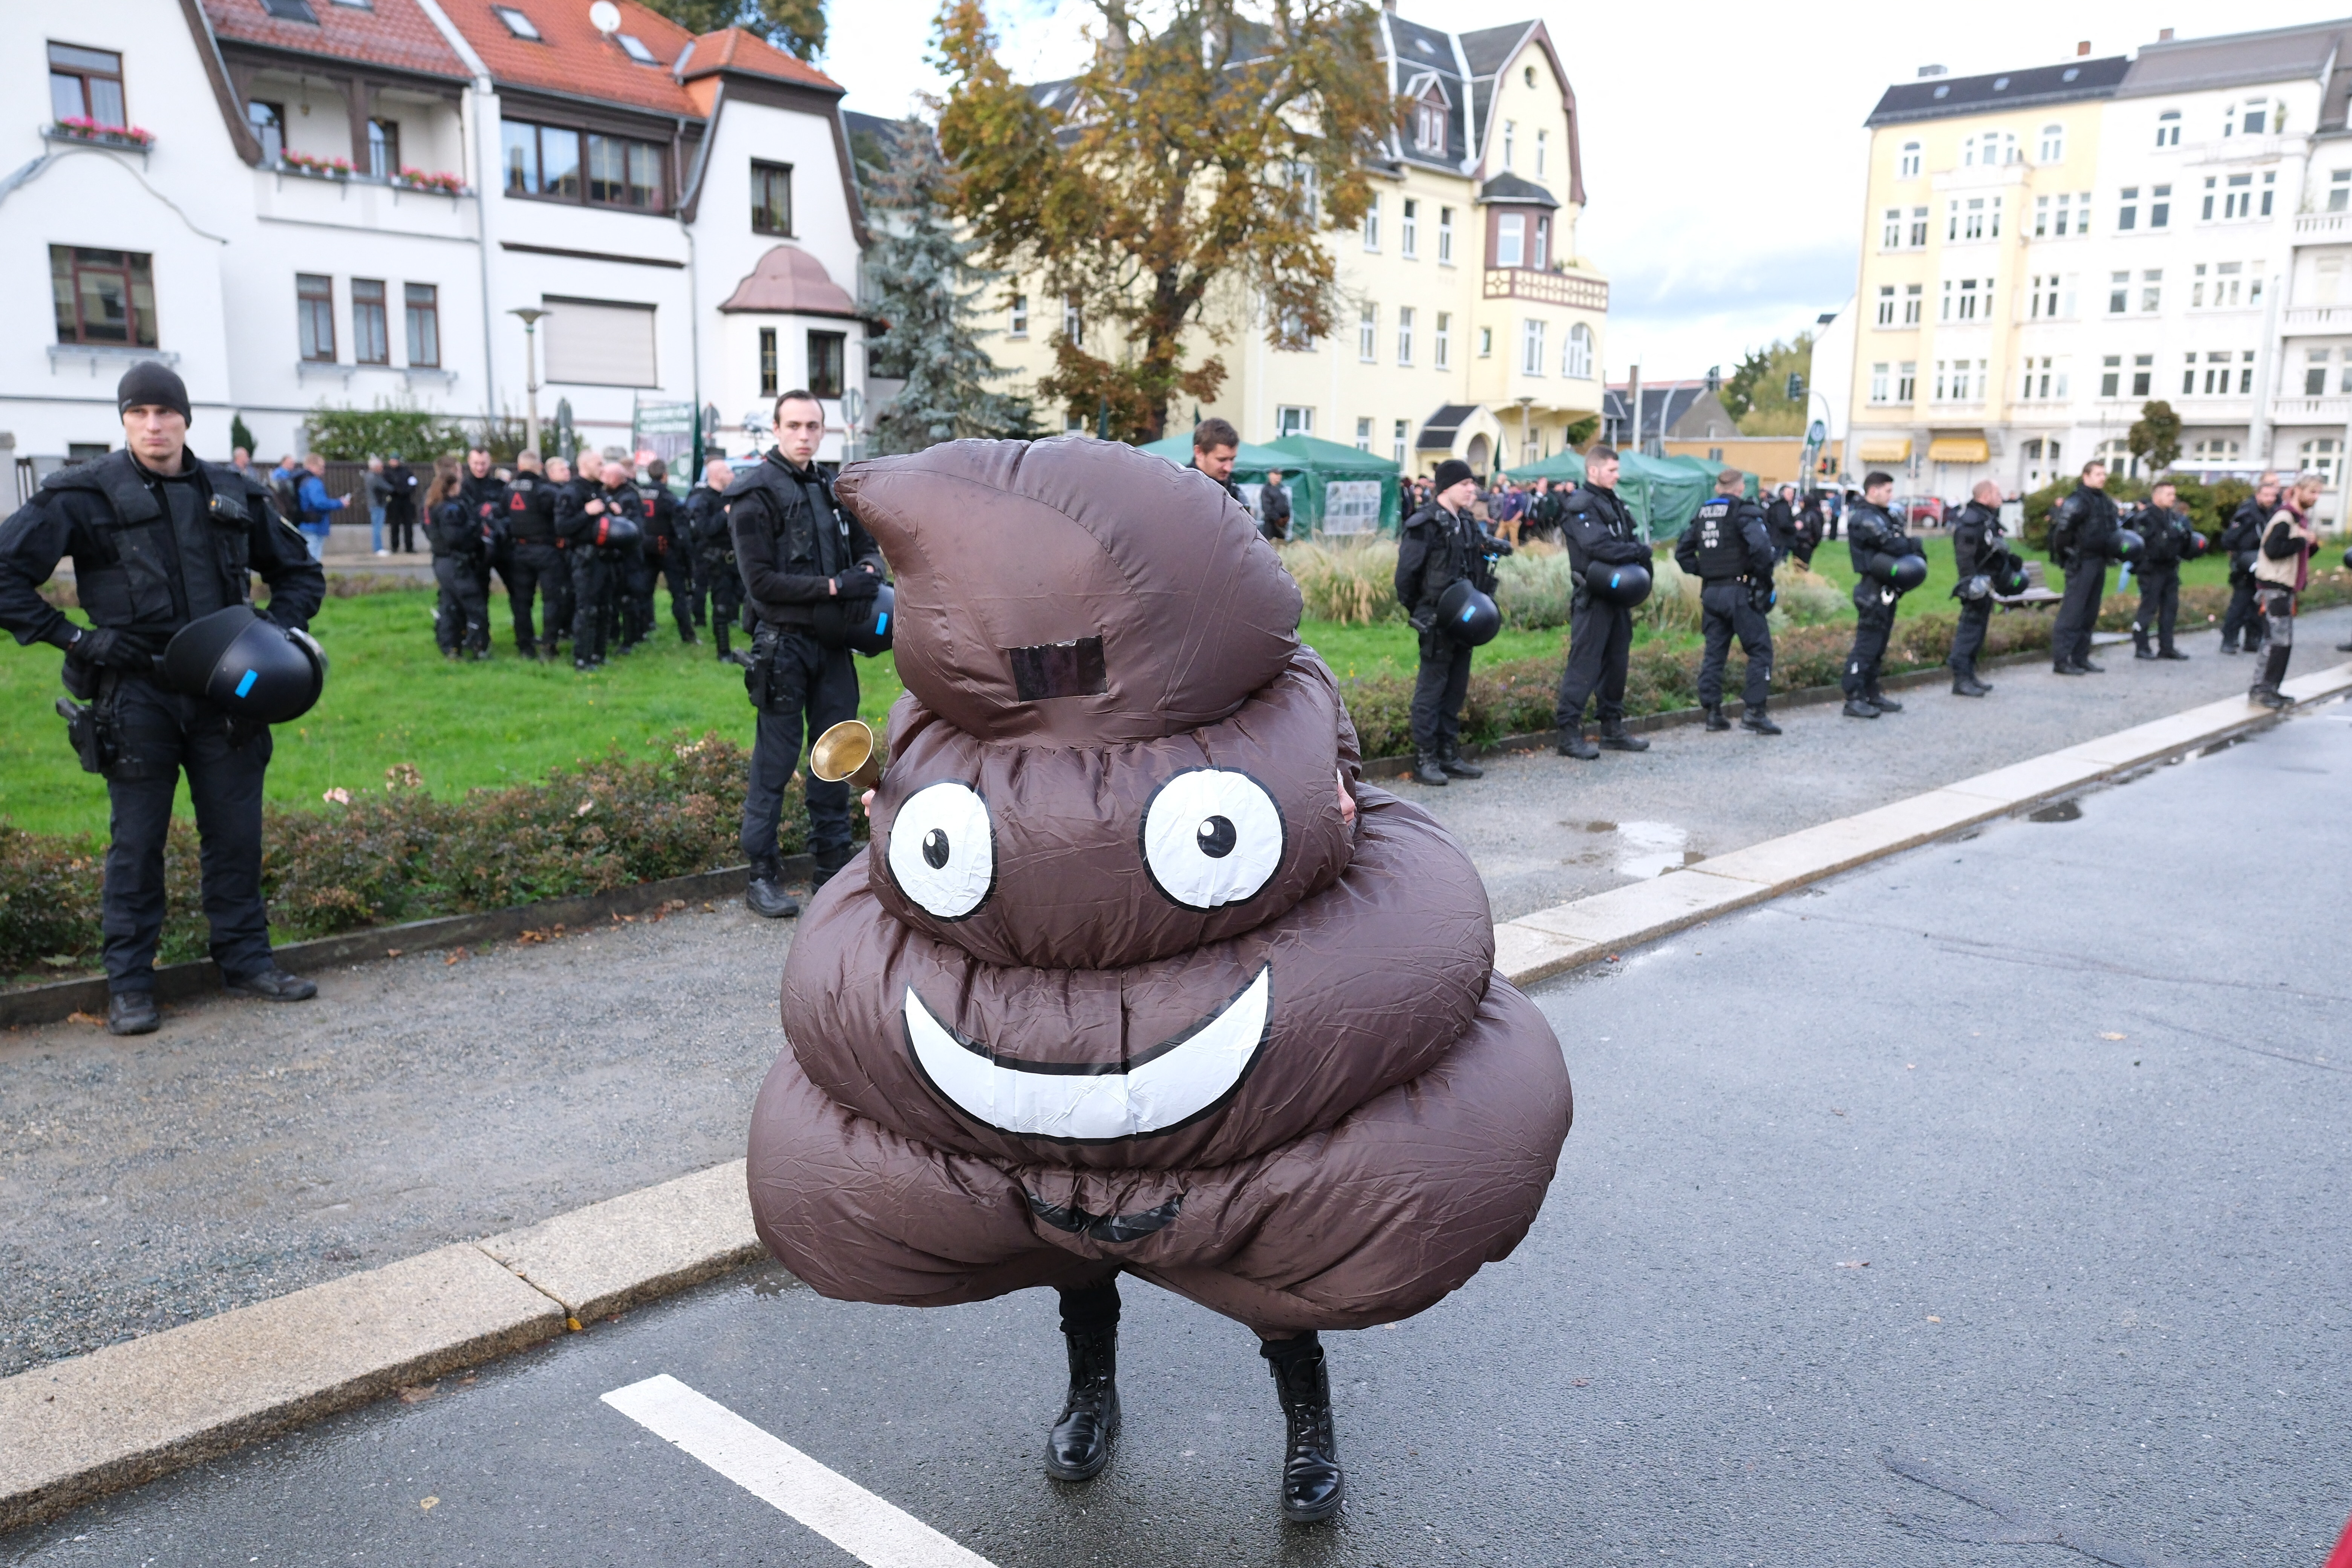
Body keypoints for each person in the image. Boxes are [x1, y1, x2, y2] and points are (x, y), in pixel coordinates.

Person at [746, 434, 1571, 1528]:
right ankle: (1092, 1394)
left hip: (1210, 1013)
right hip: (1040, 1043)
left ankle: (1306, 1427)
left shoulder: (1265, 701)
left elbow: (1346, 799)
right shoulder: (943, 735)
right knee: (1073, 1242)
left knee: (1275, 1253)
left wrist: (1327, 813)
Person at [0, 363, 325, 1035]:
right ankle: (130, 985)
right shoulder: (81, 495)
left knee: (236, 836)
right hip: (135, 694)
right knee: (137, 844)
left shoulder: (233, 491)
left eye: (165, 413)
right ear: (124, 420)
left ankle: (246, 961)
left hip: (228, 694)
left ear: (186, 419)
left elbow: (299, 572)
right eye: (139, 413)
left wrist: (270, 635)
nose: (154, 426)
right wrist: (76, 640)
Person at [729, 390, 884, 918]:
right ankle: (762, 874)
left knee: (837, 755)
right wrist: (837, 588)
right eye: (794, 425)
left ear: (824, 430)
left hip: (834, 646)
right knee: (774, 763)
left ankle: (833, 867)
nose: (804, 435)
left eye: (813, 426)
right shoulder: (754, 495)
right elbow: (762, 585)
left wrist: (868, 573)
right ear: (776, 429)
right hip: (783, 646)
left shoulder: (832, 487)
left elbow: (869, 549)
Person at [1394, 457, 1503, 786]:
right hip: (1436, 621)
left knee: (1456, 689)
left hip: (1465, 620)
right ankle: (1425, 758)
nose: (1473, 489)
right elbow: (1405, 578)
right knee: (1431, 691)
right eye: (1466, 484)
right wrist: (1421, 612)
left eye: (1474, 484)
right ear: (1447, 487)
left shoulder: (1467, 522)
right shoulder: (1424, 524)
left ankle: (1448, 754)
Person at [1553, 444, 1652, 759]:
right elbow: (1599, 547)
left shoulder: (1614, 502)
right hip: (1593, 596)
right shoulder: (1581, 504)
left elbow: (1628, 539)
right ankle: (1568, 734)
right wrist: (1638, 553)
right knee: (1585, 663)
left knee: (1617, 663)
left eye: (1617, 470)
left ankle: (1612, 728)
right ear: (1593, 470)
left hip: (1618, 594)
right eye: (1611, 470)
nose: (1616, 475)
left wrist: (1638, 553)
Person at [1674, 467, 1779, 735]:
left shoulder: (1702, 514)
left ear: (1718, 488)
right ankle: (1755, 712)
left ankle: (1713, 714)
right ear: (1741, 488)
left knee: (1715, 653)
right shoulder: (1743, 512)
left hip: (1711, 594)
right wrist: (1762, 581)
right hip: (1740, 592)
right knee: (1760, 650)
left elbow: (1682, 554)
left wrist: (1707, 571)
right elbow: (1763, 550)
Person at [1839, 470, 1925, 718]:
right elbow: (1892, 543)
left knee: (1879, 644)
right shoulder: (1864, 517)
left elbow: (1898, 540)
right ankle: (1854, 697)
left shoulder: (1883, 514)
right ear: (1874, 490)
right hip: (1871, 587)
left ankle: (1872, 693)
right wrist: (1912, 545)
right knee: (1867, 645)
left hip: (1887, 586)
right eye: (1888, 490)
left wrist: (1908, 544)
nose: (1891, 496)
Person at [2247, 473, 2322, 708]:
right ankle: (2262, 690)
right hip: (2274, 588)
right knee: (2276, 641)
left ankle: (2272, 688)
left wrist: (2310, 545)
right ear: (2298, 491)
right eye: (2312, 492)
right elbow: (2273, 550)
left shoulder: (2298, 520)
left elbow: (2296, 555)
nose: (2316, 498)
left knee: (2282, 642)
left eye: (2319, 493)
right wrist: (2302, 541)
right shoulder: (2285, 517)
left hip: (2286, 587)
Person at [558, 458, 638, 670]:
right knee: (587, 610)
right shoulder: (571, 492)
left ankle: (599, 655)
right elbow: (562, 527)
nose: (602, 468)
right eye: (599, 464)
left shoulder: (600, 492)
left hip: (606, 558)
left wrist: (613, 512)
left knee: (605, 608)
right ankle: (582, 659)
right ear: (585, 465)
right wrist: (586, 512)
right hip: (585, 559)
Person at [2047, 459, 2121, 675]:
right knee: (2073, 612)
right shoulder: (2077, 501)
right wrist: (2068, 556)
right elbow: (2062, 533)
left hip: (2099, 561)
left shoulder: (2104, 501)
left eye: (2104, 474)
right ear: (2086, 476)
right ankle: (2062, 660)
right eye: (2098, 474)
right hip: (2081, 561)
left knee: (2090, 612)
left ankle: (2081, 657)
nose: (2103, 478)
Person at [424, 455, 489, 660]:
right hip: (456, 562)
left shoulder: (431, 504)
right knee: (474, 604)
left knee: (449, 604)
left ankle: (451, 647)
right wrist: (475, 529)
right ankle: (477, 646)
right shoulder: (449, 508)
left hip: (443, 560)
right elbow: (455, 537)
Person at [1946, 479, 2004, 697]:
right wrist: (1971, 584)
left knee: (1979, 631)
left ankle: (1970, 675)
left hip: (1987, 580)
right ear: (1986, 495)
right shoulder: (1972, 520)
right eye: (1997, 492)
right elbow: (1965, 556)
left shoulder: (1986, 517)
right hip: (1975, 584)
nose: (2001, 497)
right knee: (1969, 631)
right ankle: (1961, 679)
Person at [501, 450, 561, 659]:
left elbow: (503, 516)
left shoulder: (508, 489)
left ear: (519, 467)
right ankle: (549, 644)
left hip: (518, 551)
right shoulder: (546, 491)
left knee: (521, 601)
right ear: (539, 467)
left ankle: (525, 646)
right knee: (551, 599)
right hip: (545, 550)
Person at [2128, 479, 2194, 662]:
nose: (2173, 498)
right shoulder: (2145, 518)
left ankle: (2167, 647)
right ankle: (2142, 646)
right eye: (2169, 495)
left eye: (2174, 494)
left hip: (2170, 568)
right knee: (2148, 608)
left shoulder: (2172, 517)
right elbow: (2143, 545)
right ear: (2157, 496)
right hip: (2151, 569)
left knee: (2170, 608)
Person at [691, 457, 748, 666]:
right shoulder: (704, 499)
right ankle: (723, 652)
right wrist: (724, 515)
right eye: (727, 472)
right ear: (716, 476)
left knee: (751, 600)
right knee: (721, 607)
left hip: (738, 560)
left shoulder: (732, 497)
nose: (732, 476)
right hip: (717, 562)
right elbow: (703, 530)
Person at [637, 458, 699, 645]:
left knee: (644, 592)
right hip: (667, 549)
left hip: (645, 547)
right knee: (679, 593)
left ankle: (642, 631)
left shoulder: (640, 493)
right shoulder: (669, 497)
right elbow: (681, 529)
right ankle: (687, 635)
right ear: (665, 476)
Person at [2218, 475, 2280, 654]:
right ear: (2258, 495)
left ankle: (2253, 639)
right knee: (2240, 603)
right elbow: (2229, 539)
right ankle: (2229, 639)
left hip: (2264, 563)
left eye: (2272, 496)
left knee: (2259, 603)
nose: (2270, 499)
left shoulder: (2273, 512)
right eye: (2266, 495)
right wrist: (2239, 559)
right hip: (2245, 565)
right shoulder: (2247, 513)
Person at [294, 453, 347, 560]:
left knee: (306, 559)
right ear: (312, 466)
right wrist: (340, 503)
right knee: (313, 560)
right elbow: (320, 503)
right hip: (314, 526)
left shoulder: (300, 480)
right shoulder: (313, 482)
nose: (323, 471)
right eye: (321, 467)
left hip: (303, 524)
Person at [1190, 417, 1243, 503]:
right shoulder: (1183, 493)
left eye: (1232, 459)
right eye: (1222, 460)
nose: (1228, 468)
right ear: (1199, 452)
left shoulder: (1234, 491)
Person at [380, 453, 419, 555]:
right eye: (392, 460)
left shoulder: (406, 471)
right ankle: (394, 546)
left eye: (396, 460)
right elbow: (386, 487)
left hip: (406, 500)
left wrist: (407, 491)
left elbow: (414, 483)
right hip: (394, 501)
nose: (394, 462)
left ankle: (409, 547)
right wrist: (396, 491)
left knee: (408, 524)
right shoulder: (387, 473)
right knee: (394, 524)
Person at [1763, 484, 1800, 562]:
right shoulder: (1783, 507)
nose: (1792, 496)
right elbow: (1784, 524)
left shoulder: (1775, 505)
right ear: (1783, 494)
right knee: (1780, 563)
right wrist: (1794, 528)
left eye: (1793, 494)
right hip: (1781, 540)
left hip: (1775, 538)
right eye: (1789, 494)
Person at [364, 455, 391, 556]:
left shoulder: (369, 476)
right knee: (378, 528)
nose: (382, 468)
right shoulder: (374, 477)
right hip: (378, 505)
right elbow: (387, 487)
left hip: (374, 504)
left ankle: (378, 548)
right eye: (381, 466)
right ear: (375, 467)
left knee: (377, 527)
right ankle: (378, 549)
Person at [1258, 468, 1291, 543]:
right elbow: (1267, 507)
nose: (1278, 477)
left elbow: (1286, 504)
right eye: (1276, 475)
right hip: (1271, 523)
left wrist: (1287, 517)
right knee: (1270, 544)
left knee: (1281, 544)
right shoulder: (1266, 490)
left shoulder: (1282, 488)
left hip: (1283, 524)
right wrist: (1277, 519)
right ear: (1270, 476)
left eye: (1280, 475)